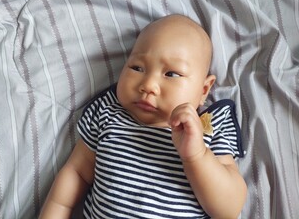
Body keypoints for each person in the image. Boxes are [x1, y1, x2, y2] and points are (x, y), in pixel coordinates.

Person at [40, 14, 247, 219]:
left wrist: (197, 156)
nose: (148, 85)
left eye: (172, 74)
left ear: (203, 90)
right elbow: (76, 172)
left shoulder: (208, 128)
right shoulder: (108, 113)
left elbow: (229, 209)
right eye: (137, 68)